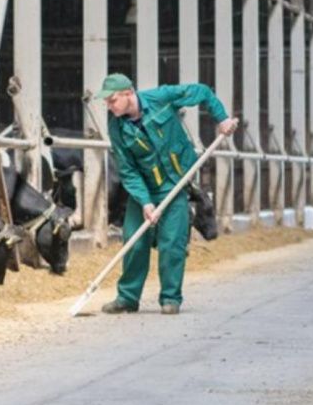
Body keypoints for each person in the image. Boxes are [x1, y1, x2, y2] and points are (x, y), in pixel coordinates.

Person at [94, 73, 238, 316]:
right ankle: (128, 298)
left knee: (172, 242)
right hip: (145, 188)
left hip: (175, 181)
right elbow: (128, 169)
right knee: (133, 239)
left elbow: (202, 91)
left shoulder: (161, 98)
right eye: (106, 101)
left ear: (129, 93)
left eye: (112, 99)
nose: (109, 105)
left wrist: (222, 119)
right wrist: (145, 202)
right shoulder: (115, 126)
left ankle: (170, 298)